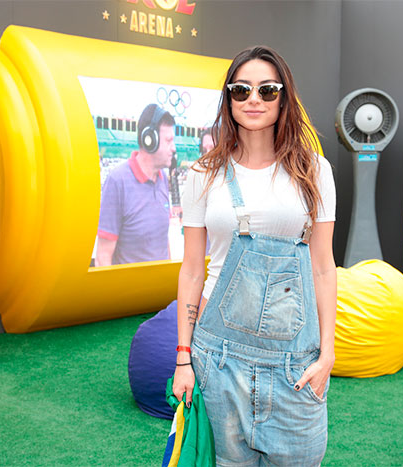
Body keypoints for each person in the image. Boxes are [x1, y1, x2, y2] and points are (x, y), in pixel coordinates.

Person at [172, 46, 337, 466]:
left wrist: (327, 356)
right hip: (218, 361)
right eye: (241, 89)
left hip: (294, 368)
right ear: (228, 99)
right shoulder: (201, 175)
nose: (254, 100)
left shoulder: (315, 171)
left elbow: (322, 267)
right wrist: (184, 359)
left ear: (284, 98)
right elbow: (192, 271)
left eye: (267, 90)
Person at [96, 103, 177, 266]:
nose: (174, 148)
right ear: (149, 140)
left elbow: (163, 240)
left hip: (160, 290)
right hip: (129, 291)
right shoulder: (117, 182)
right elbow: (103, 256)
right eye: (168, 141)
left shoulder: (162, 179)